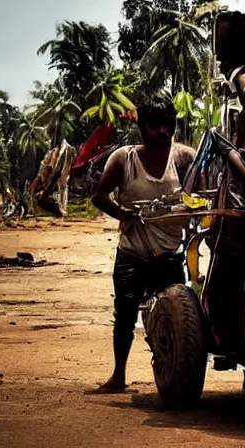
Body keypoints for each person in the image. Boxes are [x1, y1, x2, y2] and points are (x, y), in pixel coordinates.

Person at [90, 100, 196, 393]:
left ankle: (175, 376)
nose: (162, 131)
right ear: (142, 127)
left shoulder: (186, 159)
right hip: (132, 254)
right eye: (154, 125)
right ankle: (118, 375)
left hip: (169, 254)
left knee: (177, 317)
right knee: (124, 314)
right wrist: (124, 215)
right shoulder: (124, 159)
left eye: (167, 125)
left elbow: (204, 193)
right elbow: (98, 196)